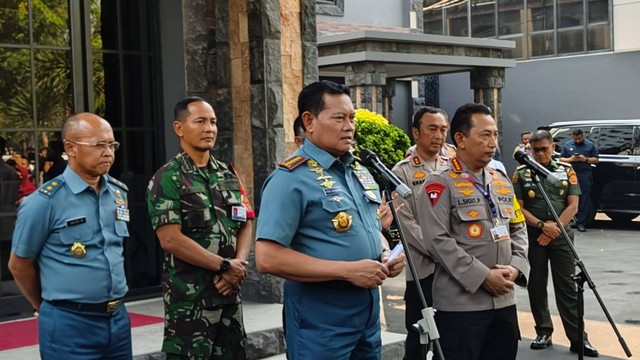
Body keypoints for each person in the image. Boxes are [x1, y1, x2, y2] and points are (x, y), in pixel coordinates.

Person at [255, 80, 406, 360]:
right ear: (309, 121)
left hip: (367, 318)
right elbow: (267, 258)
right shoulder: (289, 180)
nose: (349, 126)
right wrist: (348, 270)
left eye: (352, 118)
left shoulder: (358, 172)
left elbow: (370, 229)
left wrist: (385, 253)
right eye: (339, 118)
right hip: (321, 322)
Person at [8, 113, 132, 360]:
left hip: (117, 320)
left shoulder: (118, 193)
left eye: (111, 144)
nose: (108, 152)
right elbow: (19, 264)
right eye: (99, 145)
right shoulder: (44, 202)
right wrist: (44, 306)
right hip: (70, 324)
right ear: (70, 148)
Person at [415, 103, 529, 360]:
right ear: (460, 139)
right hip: (461, 306)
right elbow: (437, 240)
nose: (493, 143)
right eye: (485, 135)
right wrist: (483, 276)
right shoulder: (439, 184)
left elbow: (518, 228)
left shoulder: (501, 180)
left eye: (495, 135)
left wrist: (516, 267)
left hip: (504, 300)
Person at [146, 96, 254, 359]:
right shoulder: (167, 178)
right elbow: (170, 239)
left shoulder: (228, 174)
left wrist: (238, 266)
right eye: (201, 121)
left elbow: (246, 220)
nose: (209, 128)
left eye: (214, 122)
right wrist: (224, 266)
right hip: (190, 306)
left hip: (229, 298)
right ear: (179, 128)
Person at [512, 130, 599, 357]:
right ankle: (543, 331)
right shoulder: (521, 173)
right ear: (529, 149)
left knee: (568, 287)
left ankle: (578, 338)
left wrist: (553, 230)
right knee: (537, 285)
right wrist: (542, 226)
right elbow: (518, 207)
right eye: (535, 149)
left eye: (544, 149)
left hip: (561, 237)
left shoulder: (565, 170)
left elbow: (573, 205)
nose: (539, 154)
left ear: (553, 148)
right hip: (534, 236)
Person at [391, 106, 449, 360]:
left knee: (450, 334)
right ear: (416, 132)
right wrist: (444, 250)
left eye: (443, 129)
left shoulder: (454, 166)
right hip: (423, 270)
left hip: (453, 270)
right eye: (432, 129)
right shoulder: (401, 171)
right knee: (419, 335)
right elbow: (407, 225)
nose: (439, 135)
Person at [559, 129, 599, 232]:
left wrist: (585, 159)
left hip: (584, 174)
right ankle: (568, 220)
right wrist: (571, 159)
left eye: (579, 138)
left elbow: (596, 159)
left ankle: (581, 222)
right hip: (570, 173)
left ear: (583, 136)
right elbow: (561, 159)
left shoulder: (590, 145)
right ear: (572, 136)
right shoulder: (567, 145)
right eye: (575, 138)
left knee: (583, 198)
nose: (577, 141)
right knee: (568, 197)